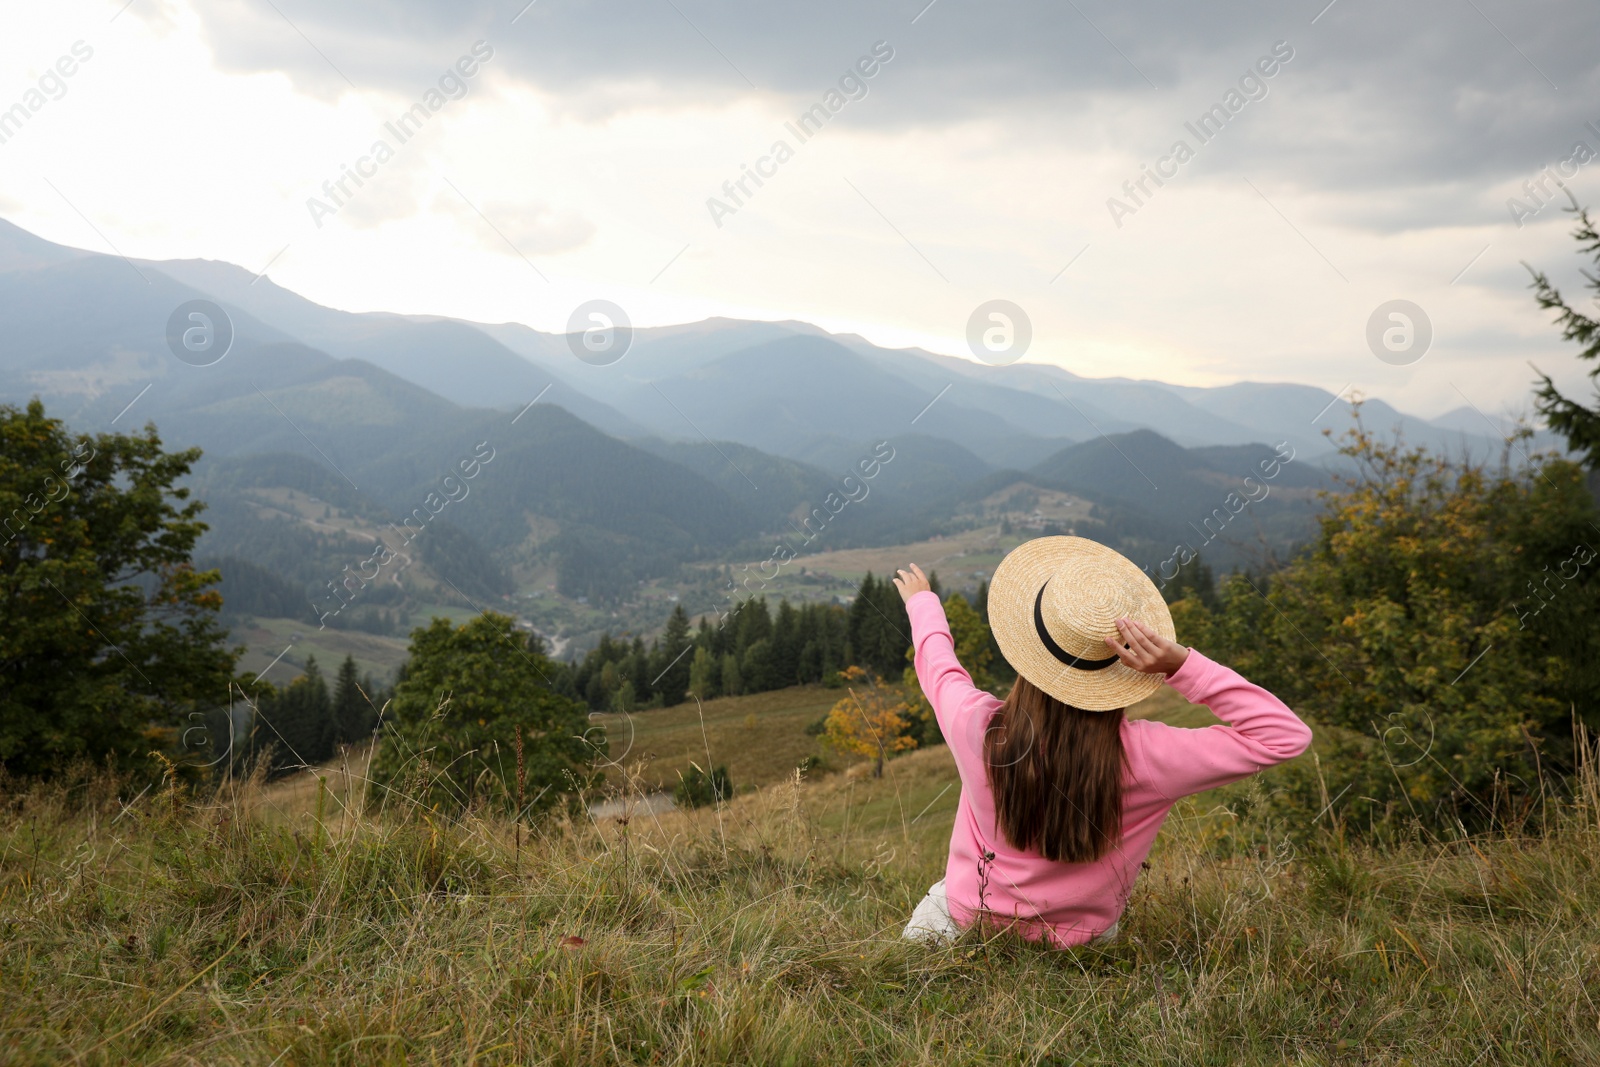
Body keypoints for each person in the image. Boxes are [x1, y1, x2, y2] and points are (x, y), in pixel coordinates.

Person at [894, 536, 1311, 948]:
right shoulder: (1148, 757)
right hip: (1081, 945)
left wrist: (922, 602)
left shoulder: (976, 726)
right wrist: (1183, 665)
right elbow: (1284, 736)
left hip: (970, 921)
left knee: (932, 917)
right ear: (1120, 674)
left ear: (1028, 655)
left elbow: (941, 670)